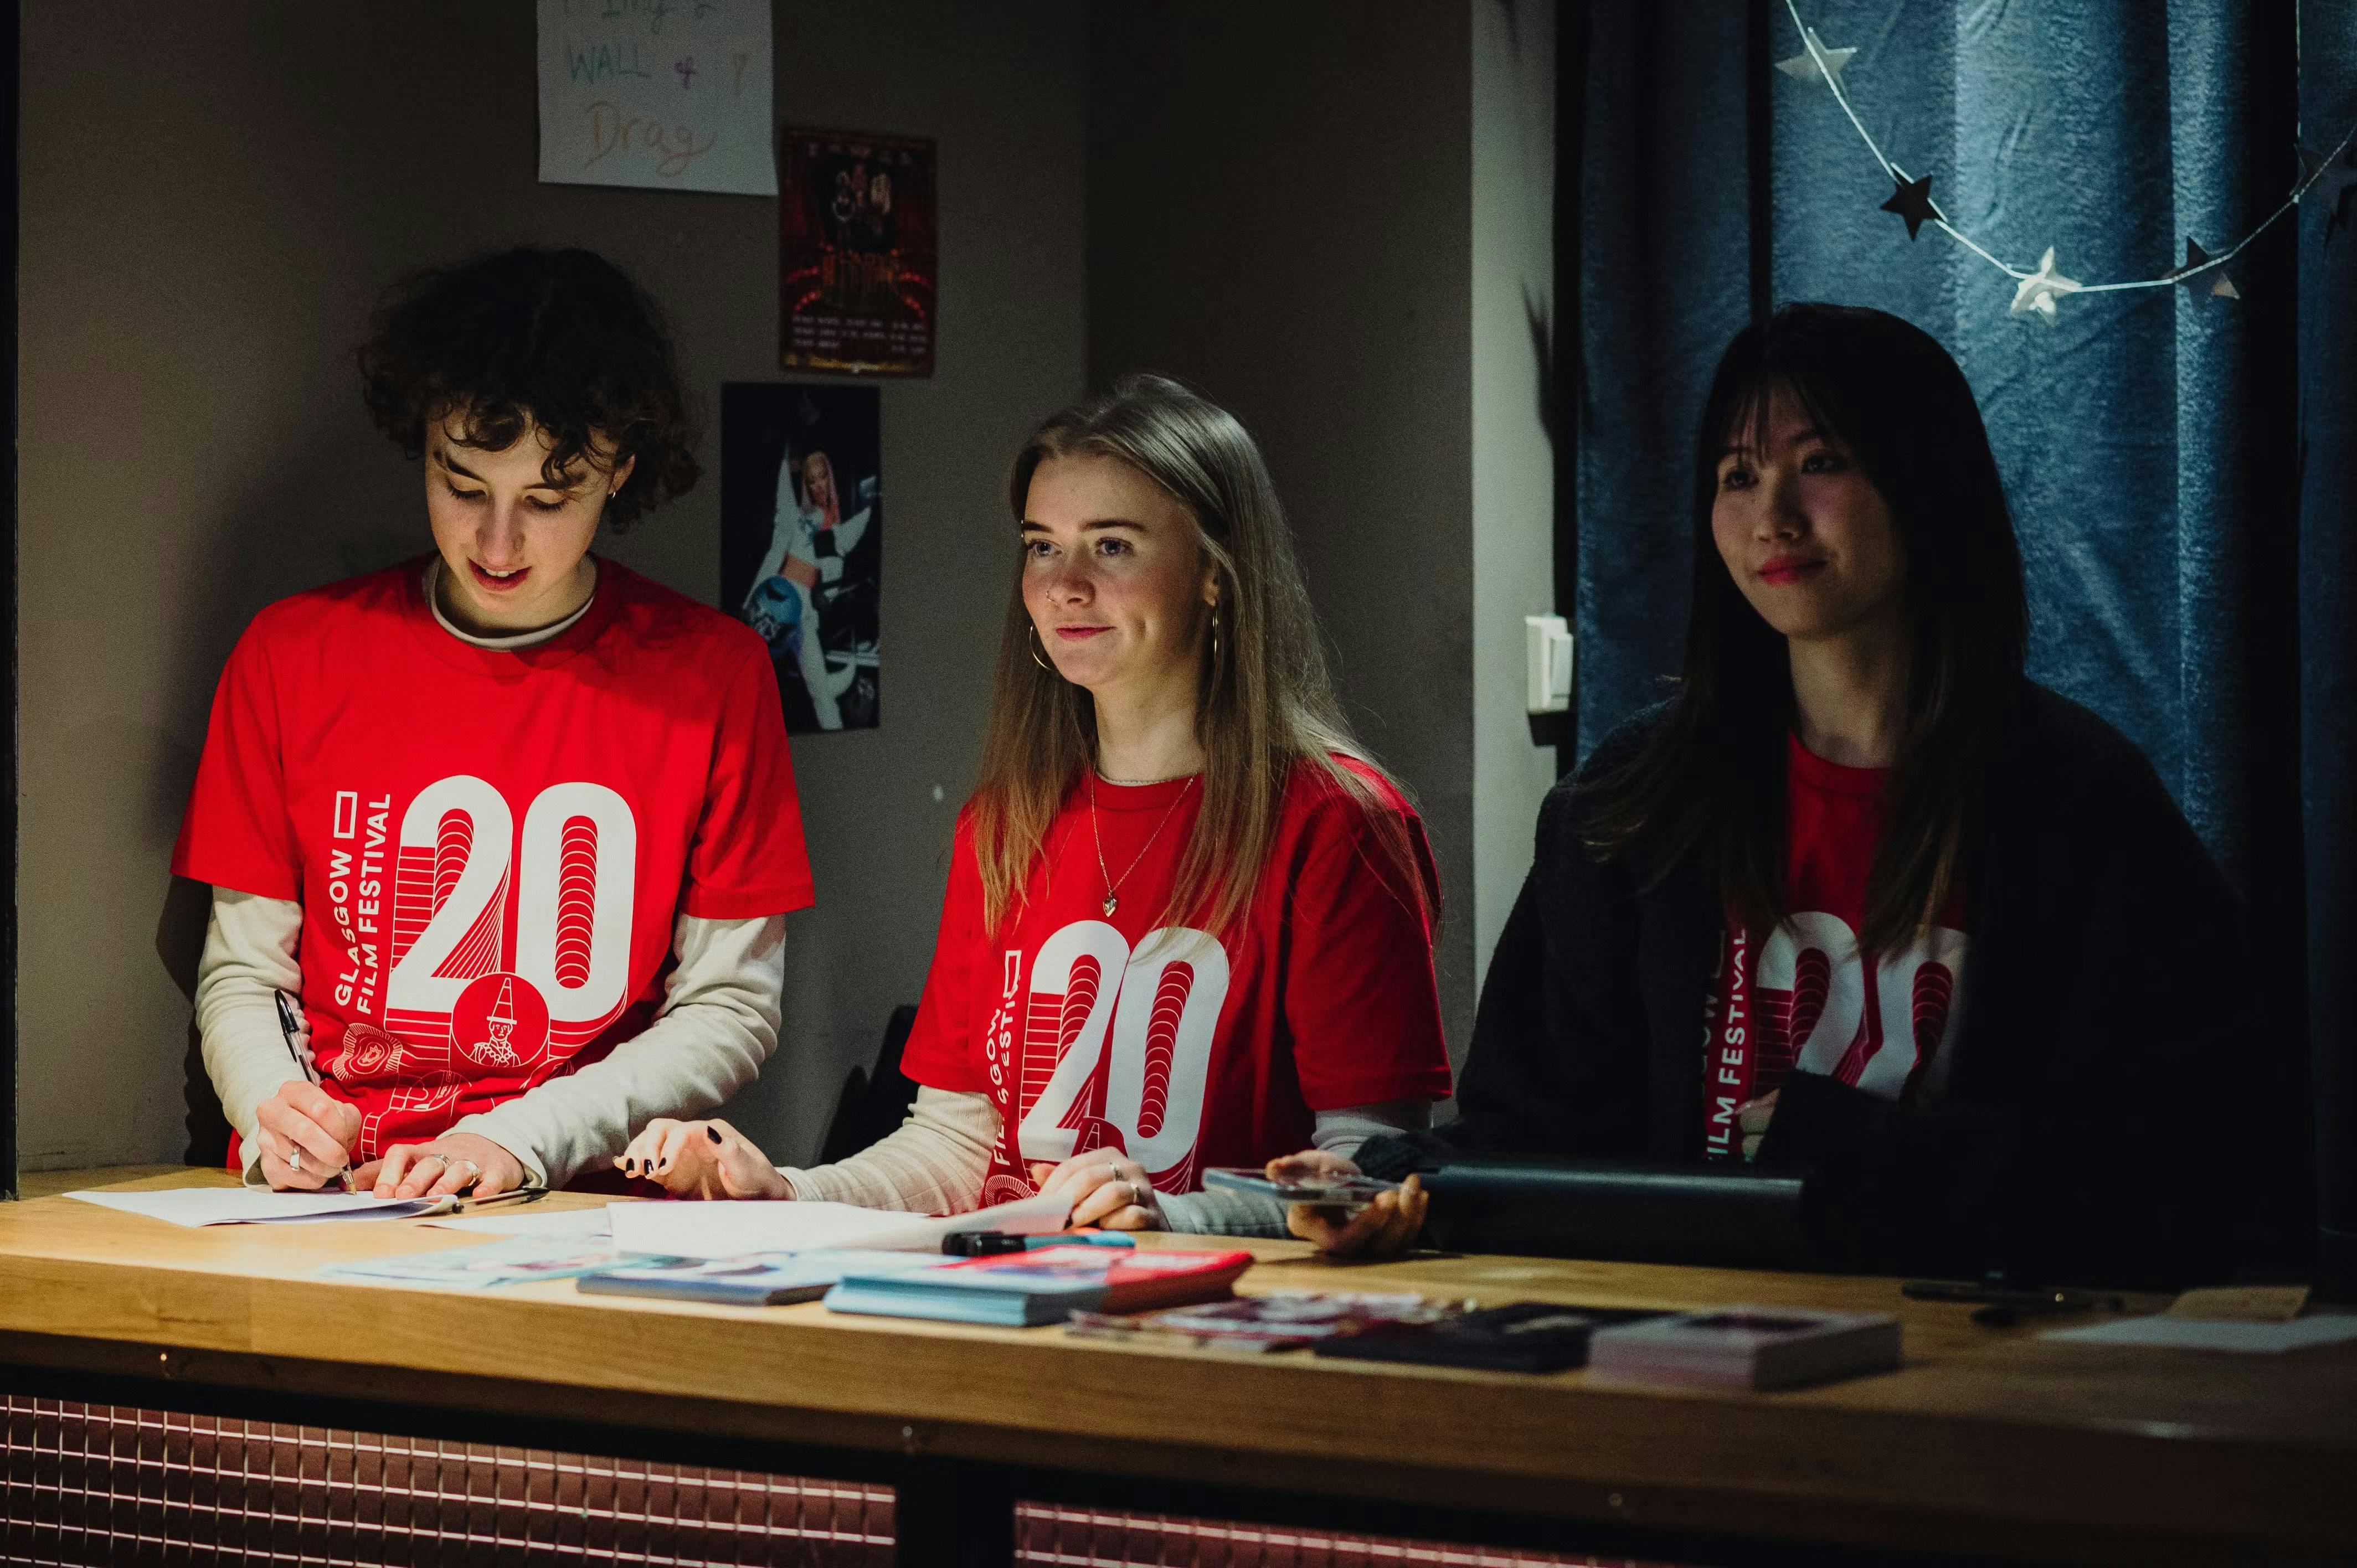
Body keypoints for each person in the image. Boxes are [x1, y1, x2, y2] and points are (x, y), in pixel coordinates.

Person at [1283, 303, 2268, 1287]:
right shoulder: (1623, 808)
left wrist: (1863, 1149)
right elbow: (1532, 1128)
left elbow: (2184, 1166)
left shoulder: (2081, 803)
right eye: (1737, 475)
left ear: (1925, 480)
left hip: (1981, 1349)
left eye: (1821, 462)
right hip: (1676, 1345)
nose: (1773, 517)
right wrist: (1385, 1183)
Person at [621, 374, 1454, 1235]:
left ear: (1215, 572)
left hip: (1217, 1305)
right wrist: (785, 1193)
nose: (1066, 586)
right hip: (1010, 1295)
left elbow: (1367, 1172)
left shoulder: (1339, 824)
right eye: (1043, 546)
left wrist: (1175, 1218)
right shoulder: (1004, 823)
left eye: (1113, 546)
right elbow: (954, 1146)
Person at [174, 247, 815, 1200]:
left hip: (580, 1196)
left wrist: (516, 1139)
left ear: (620, 471)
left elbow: (730, 1005)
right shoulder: (292, 654)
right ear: (423, 446)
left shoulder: (713, 675)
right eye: (464, 486)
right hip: (331, 1200)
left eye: (548, 500)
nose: (498, 541)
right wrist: (280, 1113)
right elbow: (243, 973)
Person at [744, 447, 872, 729]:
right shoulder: (798, 520)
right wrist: (752, 601)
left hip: (803, 620)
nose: (819, 485)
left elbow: (829, 579)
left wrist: (823, 595)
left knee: (822, 695)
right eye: (812, 480)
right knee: (750, 682)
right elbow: (776, 554)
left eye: (823, 477)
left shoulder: (835, 531)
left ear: (830, 479)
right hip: (775, 609)